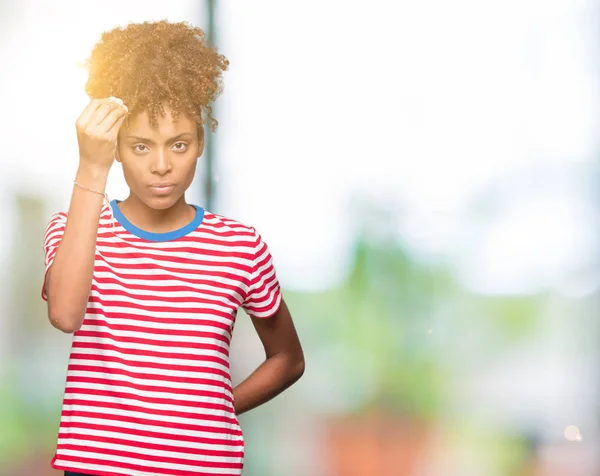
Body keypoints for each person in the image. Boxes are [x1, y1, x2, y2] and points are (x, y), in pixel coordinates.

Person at [42, 20, 305, 476]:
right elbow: (65, 315)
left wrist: (210, 413)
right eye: (140, 146)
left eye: (178, 144)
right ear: (117, 147)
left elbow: (287, 358)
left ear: (200, 142)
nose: (161, 166)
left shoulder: (240, 246)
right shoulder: (75, 229)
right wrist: (91, 165)